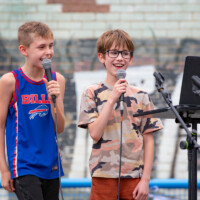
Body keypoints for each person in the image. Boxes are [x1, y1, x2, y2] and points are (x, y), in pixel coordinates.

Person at [78, 29, 163, 200]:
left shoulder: (141, 95)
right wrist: (112, 98)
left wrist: (145, 180)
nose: (119, 58)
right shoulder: (91, 92)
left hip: (134, 177)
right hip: (103, 175)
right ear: (102, 57)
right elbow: (94, 134)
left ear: (130, 59)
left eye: (125, 53)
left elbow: (149, 139)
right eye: (114, 52)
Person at [0, 21, 65, 200]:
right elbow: (0, 126)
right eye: (41, 47)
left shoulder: (57, 80)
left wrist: (55, 99)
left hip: (52, 165)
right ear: (24, 50)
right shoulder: (10, 81)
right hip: (24, 165)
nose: (48, 52)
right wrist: (4, 170)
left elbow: (59, 128)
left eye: (51, 46)